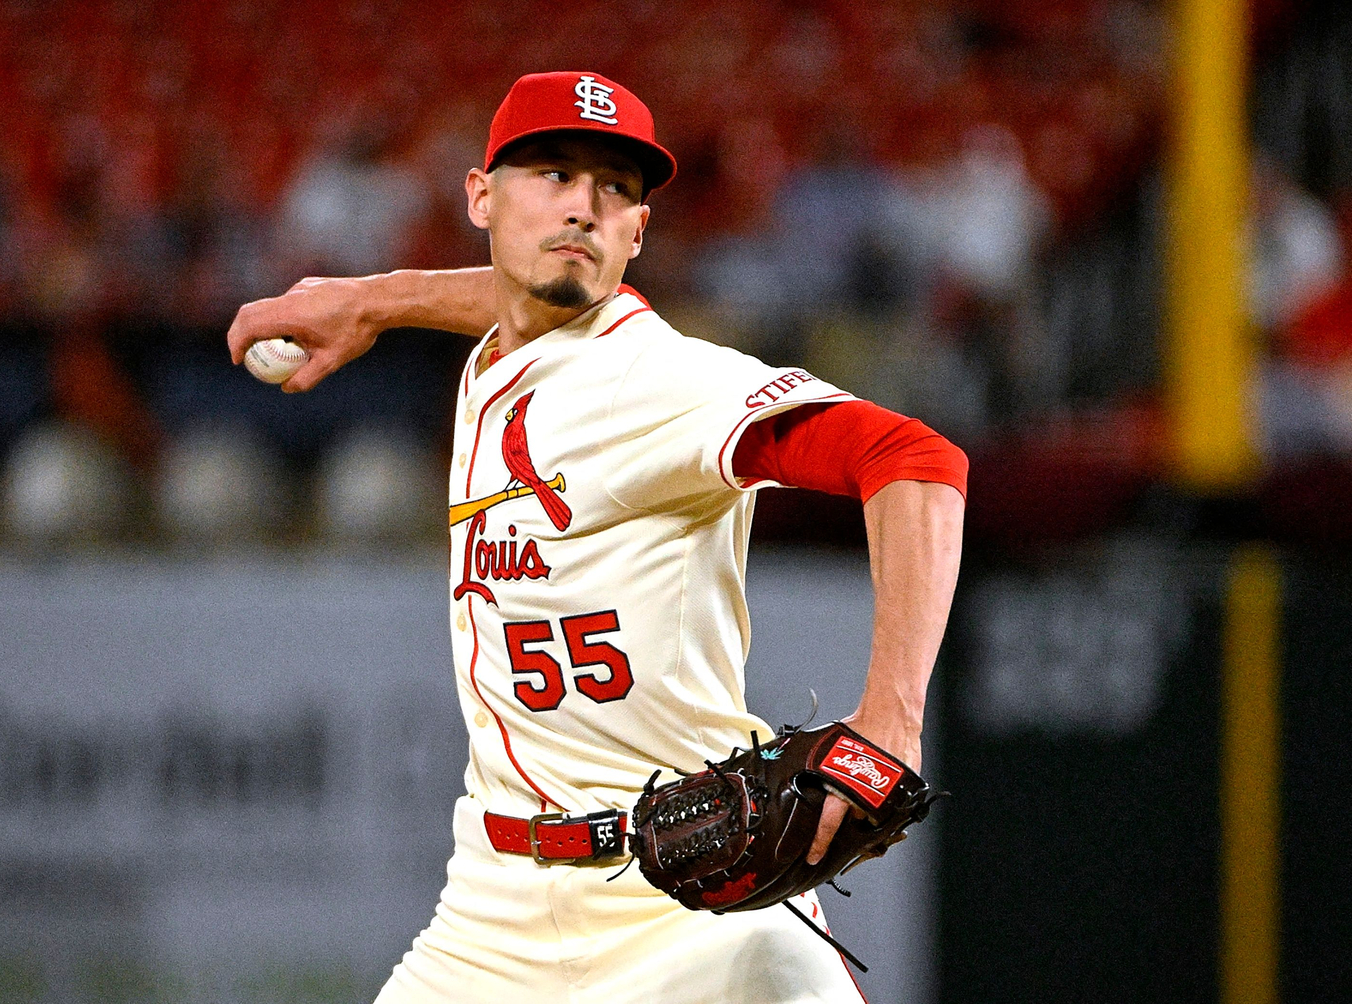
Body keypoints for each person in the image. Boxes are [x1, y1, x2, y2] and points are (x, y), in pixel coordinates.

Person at [228, 71, 967, 1004]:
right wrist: (377, 300)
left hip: (691, 918)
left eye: (615, 188)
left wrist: (891, 722)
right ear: (480, 197)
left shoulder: (657, 380)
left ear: (637, 234)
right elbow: (516, 297)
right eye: (551, 172)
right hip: (490, 913)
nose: (582, 205)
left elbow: (914, 456)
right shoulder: (502, 354)